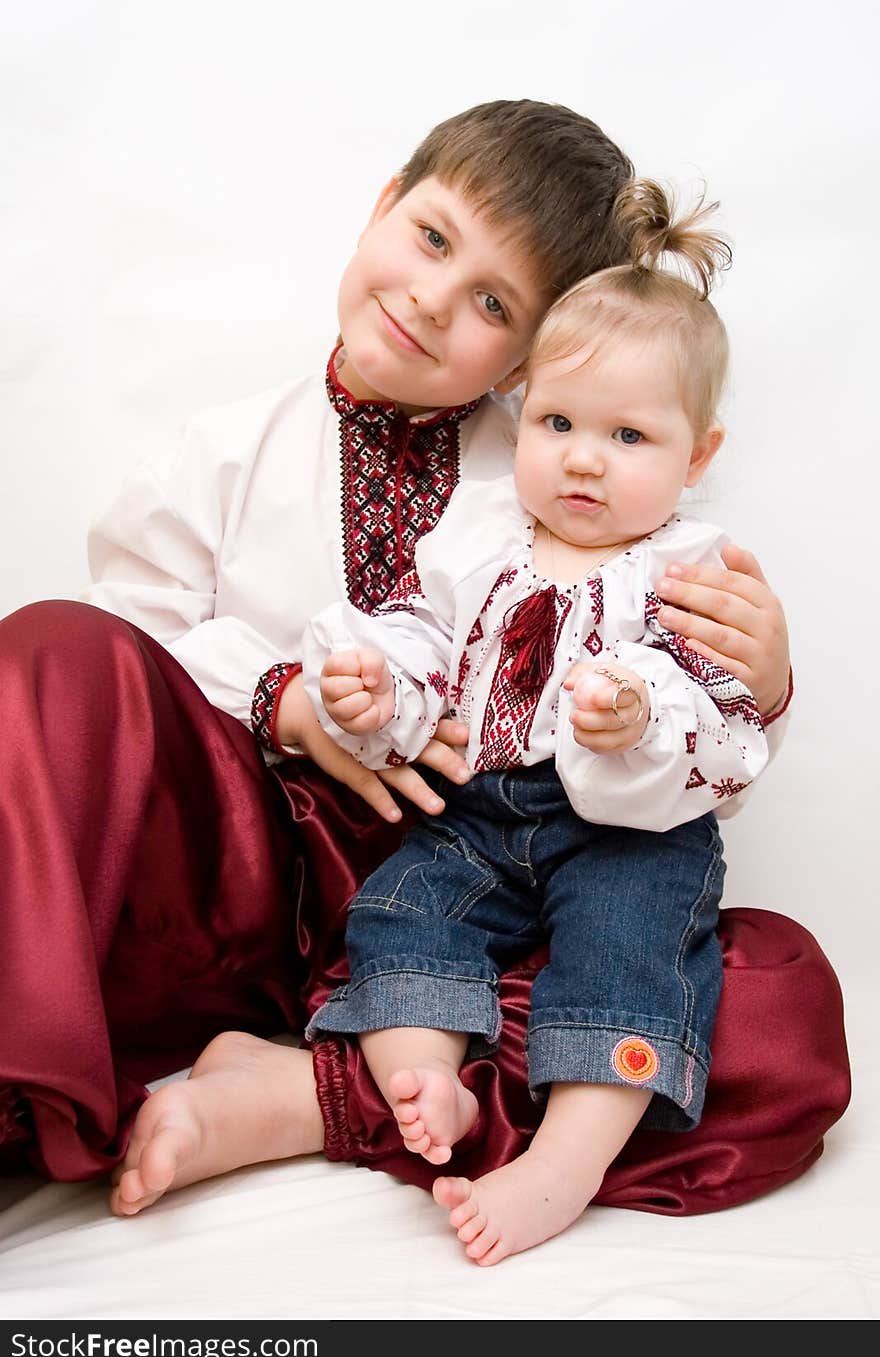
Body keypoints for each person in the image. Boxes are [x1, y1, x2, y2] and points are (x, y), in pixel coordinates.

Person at [0, 101, 848, 1218]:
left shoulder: (572, 469)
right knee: (51, 649)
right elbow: (128, 677)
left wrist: (765, 675)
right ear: (384, 206)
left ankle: (314, 1091)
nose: (432, 301)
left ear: (532, 357)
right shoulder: (219, 453)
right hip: (234, 893)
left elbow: (686, 717)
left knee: (775, 1003)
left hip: (481, 904)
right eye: (434, 240)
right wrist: (281, 700)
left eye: (493, 304)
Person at [298, 181, 771, 1264]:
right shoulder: (480, 536)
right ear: (522, 418)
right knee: (398, 909)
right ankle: (428, 1082)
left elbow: (729, 723)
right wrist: (381, 689)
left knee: (630, 952)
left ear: (696, 456)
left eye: (628, 434)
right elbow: (427, 634)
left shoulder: (688, 572)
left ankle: (563, 1165)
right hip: (478, 809)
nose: (585, 458)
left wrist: (642, 716)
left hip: (629, 835)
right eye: (557, 423)